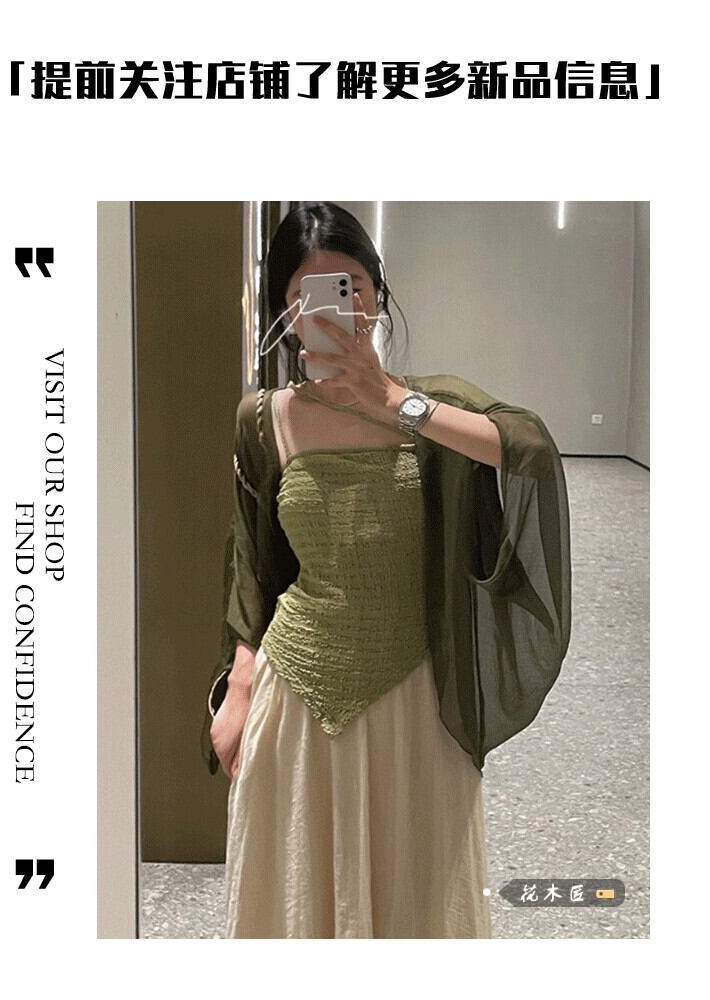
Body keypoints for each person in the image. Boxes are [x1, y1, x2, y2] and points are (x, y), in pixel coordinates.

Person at [205, 202, 571, 939]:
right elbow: (254, 559)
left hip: (417, 700)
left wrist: (395, 402)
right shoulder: (264, 419)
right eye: (306, 294)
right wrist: (239, 687)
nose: (334, 308)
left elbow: (528, 451)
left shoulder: (432, 406)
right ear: (283, 313)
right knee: (296, 901)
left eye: (351, 287)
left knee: (418, 903)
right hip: (297, 697)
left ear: (377, 293)